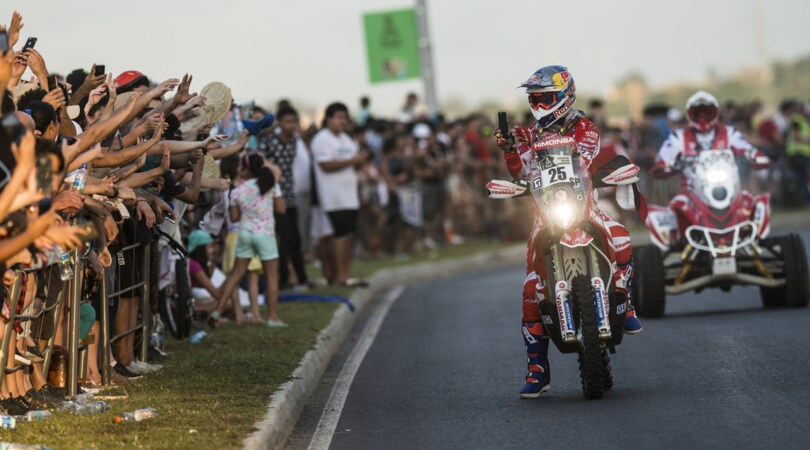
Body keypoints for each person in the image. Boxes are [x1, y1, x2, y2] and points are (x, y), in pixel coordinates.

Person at [493, 65, 643, 399]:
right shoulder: (528, 134)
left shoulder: (583, 126)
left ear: (564, 95)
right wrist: (509, 149)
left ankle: (627, 303)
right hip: (545, 215)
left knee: (620, 236)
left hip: (582, 205)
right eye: (535, 98)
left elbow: (586, 161)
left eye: (544, 97)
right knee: (531, 287)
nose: (539, 103)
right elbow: (523, 170)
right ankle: (537, 370)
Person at [652, 91, 770, 231]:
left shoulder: (729, 132)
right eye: (698, 112)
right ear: (690, 114)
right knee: (678, 205)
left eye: (707, 112)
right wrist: (663, 165)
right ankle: (683, 237)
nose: (702, 117)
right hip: (691, 191)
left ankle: (749, 232)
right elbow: (664, 155)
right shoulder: (679, 137)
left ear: (715, 113)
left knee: (751, 201)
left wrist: (756, 156)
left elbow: (746, 147)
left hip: (729, 188)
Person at [215, 153, 287, 327]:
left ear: (246, 170)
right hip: (265, 234)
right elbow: (281, 209)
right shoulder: (270, 185)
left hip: (245, 234)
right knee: (271, 276)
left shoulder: (238, 190)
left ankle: (217, 311)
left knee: (236, 274)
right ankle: (272, 317)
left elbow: (233, 218)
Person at [311, 102, 368, 287]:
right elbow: (326, 165)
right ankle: (338, 276)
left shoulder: (347, 139)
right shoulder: (322, 139)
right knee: (338, 236)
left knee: (348, 235)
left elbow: (354, 162)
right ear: (329, 119)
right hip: (333, 197)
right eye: (339, 117)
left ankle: (346, 274)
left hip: (349, 195)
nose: (343, 121)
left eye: (345, 118)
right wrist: (352, 160)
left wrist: (359, 161)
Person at [260, 106, 310, 290]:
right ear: (279, 123)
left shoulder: (295, 141)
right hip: (274, 195)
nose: (291, 126)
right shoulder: (269, 142)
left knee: (296, 238)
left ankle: (302, 278)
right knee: (284, 238)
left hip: (290, 193)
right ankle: (283, 280)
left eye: (294, 121)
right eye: (287, 122)